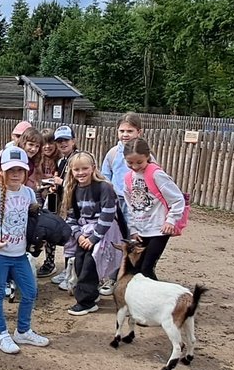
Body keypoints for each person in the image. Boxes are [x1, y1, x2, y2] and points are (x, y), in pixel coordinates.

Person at [0, 145, 50, 354]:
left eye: (19, 170)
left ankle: (23, 330)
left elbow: (33, 220)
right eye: (10, 170)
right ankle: (0, 333)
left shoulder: (29, 194)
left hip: (20, 254)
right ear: (1, 171)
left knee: (30, 291)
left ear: (26, 172)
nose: (15, 174)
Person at [60, 152, 121, 315]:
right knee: (80, 262)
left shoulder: (104, 187)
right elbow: (71, 217)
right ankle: (92, 293)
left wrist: (94, 238)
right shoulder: (72, 189)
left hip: (104, 231)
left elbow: (108, 215)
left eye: (85, 168)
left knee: (90, 264)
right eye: (76, 169)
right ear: (71, 171)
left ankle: (86, 302)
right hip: (84, 232)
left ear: (93, 168)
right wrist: (78, 236)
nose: (81, 173)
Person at [123, 139, 186, 280]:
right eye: (130, 163)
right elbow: (130, 206)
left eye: (139, 162)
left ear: (147, 156)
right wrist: (133, 229)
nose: (135, 166)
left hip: (159, 229)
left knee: (146, 269)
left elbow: (177, 199)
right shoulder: (128, 178)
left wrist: (170, 220)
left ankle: (158, 293)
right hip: (141, 230)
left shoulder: (156, 174)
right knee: (138, 268)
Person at [98, 112, 144, 296]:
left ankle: (135, 277)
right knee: (116, 239)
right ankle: (112, 277)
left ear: (139, 132)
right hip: (116, 203)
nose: (125, 134)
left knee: (135, 240)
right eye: (122, 131)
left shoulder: (144, 154)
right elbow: (105, 176)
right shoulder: (112, 153)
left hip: (137, 205)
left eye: (130, 131)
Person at [50, 125, 79, 289]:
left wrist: (62, 182)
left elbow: (81, 181)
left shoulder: (79, 158)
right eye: (59, 141)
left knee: (74, 241)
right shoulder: (62, 161)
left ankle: (73, 275)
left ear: (73, 141)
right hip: (65, 206)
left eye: (66, 140)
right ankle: (68, 270)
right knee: (69, 241)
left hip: (77, 207)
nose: (63, 143)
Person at [35, 129, 64, 278]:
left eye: (50, 142)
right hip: (38, 195)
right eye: (44, 143)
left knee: (51, 229)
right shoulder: (37, 159)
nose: (47, 146)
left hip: (53, 198)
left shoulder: (60, 160)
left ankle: (50, 262)